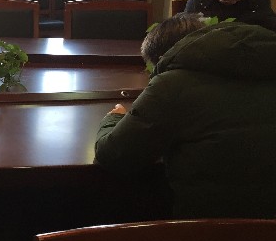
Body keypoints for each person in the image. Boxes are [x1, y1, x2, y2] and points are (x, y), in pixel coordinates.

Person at [94, 13, 276, 219]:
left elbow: (114, 155)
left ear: (163, 59)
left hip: (209, 230)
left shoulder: (172, 84)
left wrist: (113, 119)